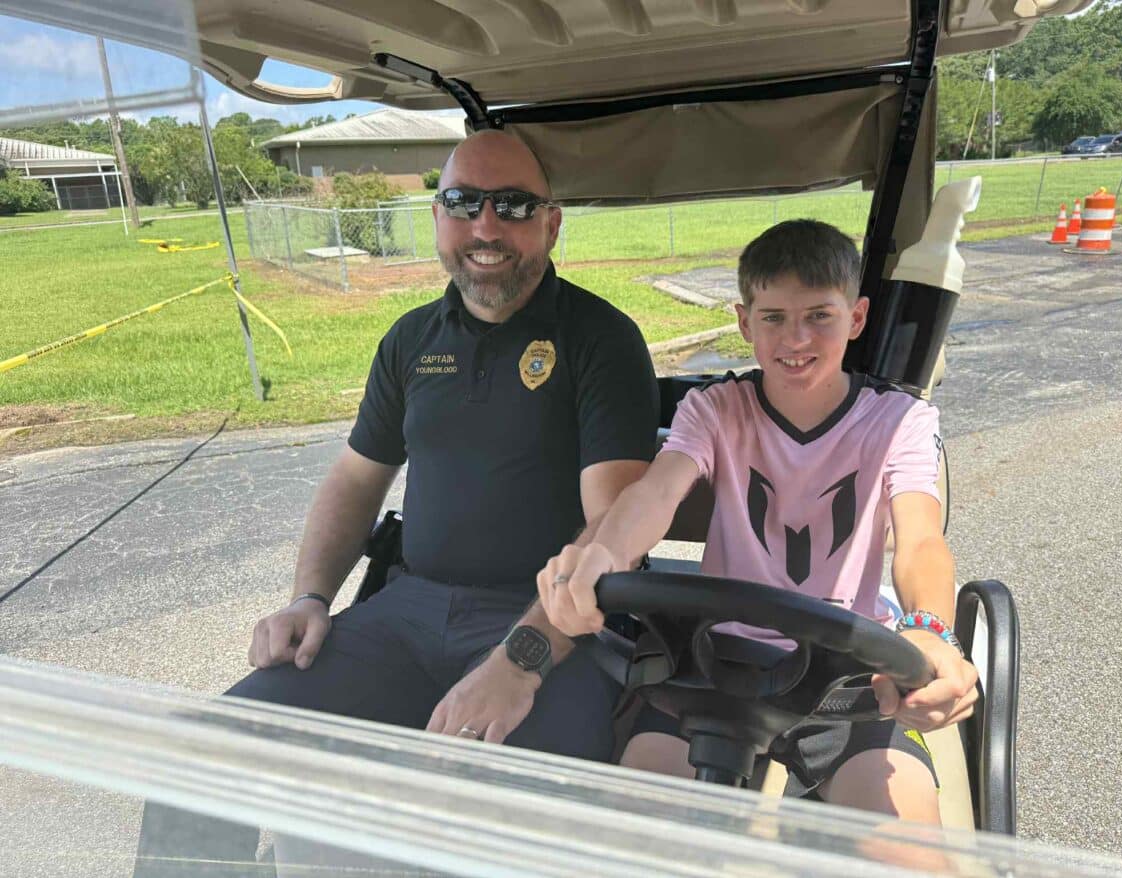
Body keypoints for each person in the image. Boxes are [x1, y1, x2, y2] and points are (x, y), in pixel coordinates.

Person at [135, 129, 659, 875]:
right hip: (406, 615)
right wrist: (310, 597)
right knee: (201, 755)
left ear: (551, 223)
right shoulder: (411, 341)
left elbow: (612, 528)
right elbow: (356, 480)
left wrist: (520, 661)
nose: (485, 226)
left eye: (513, 205)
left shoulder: (600, 339)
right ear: (438, 217)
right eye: (463, 203)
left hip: (553, 626)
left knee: (521, 821)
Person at [538, 219, 979, 824]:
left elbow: (920, 539)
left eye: (819, 316)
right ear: (745, 323)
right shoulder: (716, 409)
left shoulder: (899, 420)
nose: (795, 338)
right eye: (773, 317)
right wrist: (603, 554)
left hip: (847, 676)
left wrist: (928, 629)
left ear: (856, 318)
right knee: (635, 833)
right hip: (712, 664)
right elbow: (657, 492)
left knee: (907, 852)